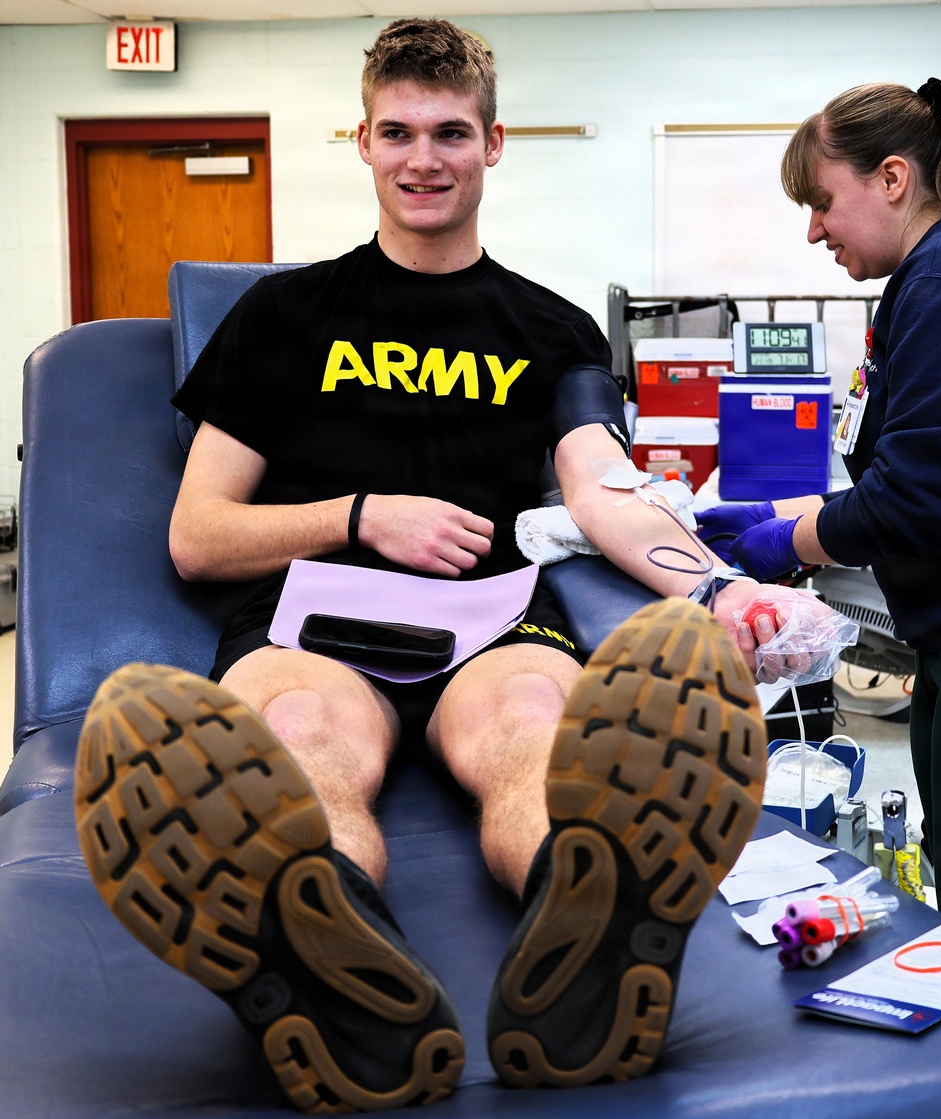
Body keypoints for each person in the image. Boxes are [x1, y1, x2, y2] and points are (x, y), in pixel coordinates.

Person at [72, 19, 808, 1113]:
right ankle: (330, 970)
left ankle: (588, 940)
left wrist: (721, 587)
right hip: (314, 620)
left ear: (493, 143)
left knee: (533, 726)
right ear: (363, 142)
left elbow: (603, 490)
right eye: (399, 132)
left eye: (451, 133)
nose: (424, 159)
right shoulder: (281, 318)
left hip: (492, 618)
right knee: (302, 735)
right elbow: (199, 533)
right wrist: (360, 516)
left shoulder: (553, 329)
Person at [698, 78, 941, 922]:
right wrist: (779, 512)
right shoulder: (937, 275)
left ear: (893, 179)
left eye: (821, 202)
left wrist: (785, 541)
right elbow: (913, 468)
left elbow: (917, 503)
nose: (813, 229)